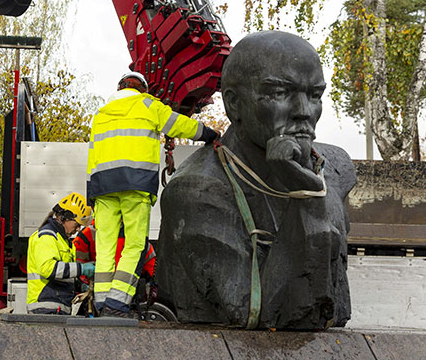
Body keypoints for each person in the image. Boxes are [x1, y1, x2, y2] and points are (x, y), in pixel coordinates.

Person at [155, 31, 356, 329]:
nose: (304, 112)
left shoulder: (336, 168)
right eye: (280, 93)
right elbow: (259, 316)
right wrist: (306, 197)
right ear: (234, 103)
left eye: (314, 95)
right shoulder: (197, 193)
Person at [86, 71, 219, 317]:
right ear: (143, 88)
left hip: (102, 187)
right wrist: (209, 134)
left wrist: (90, 193)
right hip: (135, 184)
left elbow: (92, 153)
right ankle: (116, 304)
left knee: (104, 247)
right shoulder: (148, 105)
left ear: (120, 87)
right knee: (134, 245)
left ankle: (102, 303)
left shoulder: (101, 113)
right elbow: (180, 124)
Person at [26, 192, 95, 314]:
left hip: (55, 307)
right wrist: (81, 269)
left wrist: (79, 285)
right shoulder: (46, 236)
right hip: (45, 307)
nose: (78, 229)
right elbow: (48, 269)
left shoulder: (63, 241)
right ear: (64, 217)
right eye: (77, 224)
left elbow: (64, 274)